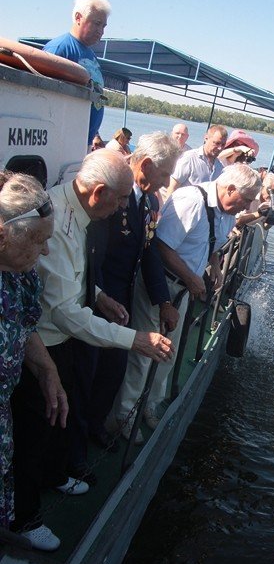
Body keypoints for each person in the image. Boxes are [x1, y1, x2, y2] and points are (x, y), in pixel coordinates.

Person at [10, 151, 174, 550]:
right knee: (32, 431)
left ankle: (54, 475)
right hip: (42, 344)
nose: (123, 208)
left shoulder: (73, 212)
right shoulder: (61, 226)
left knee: (58, 418)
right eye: (120, 200)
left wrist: (98, 296)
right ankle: (23, 518)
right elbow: (65, 312)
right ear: (99, 192)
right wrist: (134, 338)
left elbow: (71, 278)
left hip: (60, 342)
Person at [112, 163, 261, 441]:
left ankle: (151, 404)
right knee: (145, 353)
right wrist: (191, 278)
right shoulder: (191, 201)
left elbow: (211, 244)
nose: (245, 207)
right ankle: (124, 415)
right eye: (243, 200)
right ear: (229, 189)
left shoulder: (226, 210)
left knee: (170, 350)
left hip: (183, 289)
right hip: (161, 285)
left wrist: (215, 263)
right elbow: (159, 247)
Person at [87, 132, 181, 447]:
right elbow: (94, 254)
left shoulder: (143, 200)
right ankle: (77, 448)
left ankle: (95, 429)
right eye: (166, 174)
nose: (167, 183)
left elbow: (147, 251)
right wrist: (99, 296)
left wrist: (164, 301)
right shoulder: (117, 191)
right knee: (91, 375)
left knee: (112, 372)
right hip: (99, 303)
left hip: (120, 303)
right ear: (148, 164)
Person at [0, 172, 68, 550]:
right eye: (38, 241)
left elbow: (24, 327)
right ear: (4, 233)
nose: (44, 252)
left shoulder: (20, 277)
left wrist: (47, 370)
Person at [43, 0, 111, 149]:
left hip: (84, 141)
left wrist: (96, 134)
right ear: (79, 18)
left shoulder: (90, 54)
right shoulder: (60, 48)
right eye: (97, 23)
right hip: (62, 142)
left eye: (104, 26)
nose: (101, 31)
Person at [162, 125, 228, 204]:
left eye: (223, 145)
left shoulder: (220, 168)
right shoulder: (189, 158)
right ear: (206, 138)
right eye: (216, 143)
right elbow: (172, 187)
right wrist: (165, 212)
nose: (220, 148)